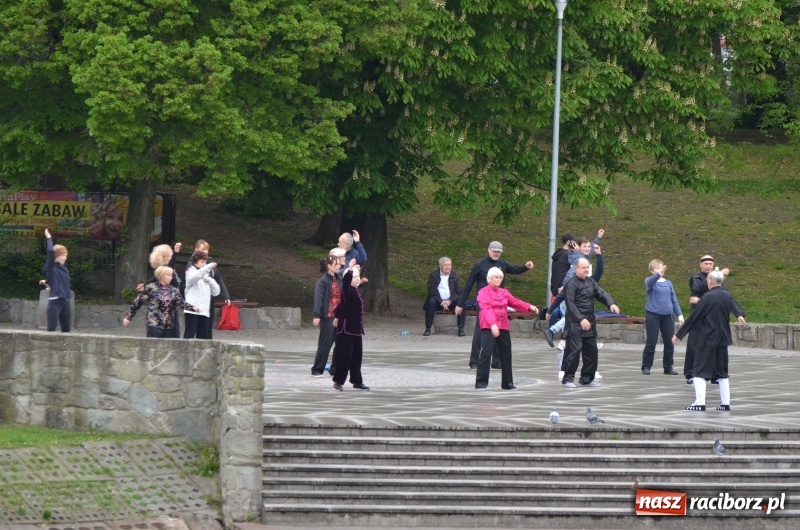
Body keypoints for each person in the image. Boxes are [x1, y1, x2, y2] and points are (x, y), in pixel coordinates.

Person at [672, 269, 747, 411]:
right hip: (723, 338)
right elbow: (733, 306)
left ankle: (700, 403)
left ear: (709, 281)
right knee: (722, 372)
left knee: (699, 370)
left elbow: (695, 317)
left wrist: (678, 334)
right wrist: (739, 315)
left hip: (707, 338)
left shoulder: (708, 297)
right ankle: (725, 404)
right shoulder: (726, 295)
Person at [455, 241, 534, 369]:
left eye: (498, 252)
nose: (496, 254)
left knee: (498, 331)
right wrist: (460, 303)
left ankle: (496, 361)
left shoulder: (502, 264)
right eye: (494, 251)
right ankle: (474, 361)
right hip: (484, 302)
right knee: (480, 332)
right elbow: (469, 284)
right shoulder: (480, 264)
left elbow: (514, 270)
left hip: (499, 303)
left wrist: (525, 266)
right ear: (489, 250)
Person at [475, 267, 539, 390]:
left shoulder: (503, 292)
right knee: (486, 352)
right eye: (496, 277)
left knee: (506, 353)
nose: (498, 280)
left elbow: (514, 301)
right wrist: (493, 324)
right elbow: (486, 309)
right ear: (490, 278)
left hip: (502, 324)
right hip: (488, 325)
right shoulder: (483, 292)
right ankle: (481, 383)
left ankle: (507, 383)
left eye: (500, 277)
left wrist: (528, 306)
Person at [561, 258, 620, 388]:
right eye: (583, 268)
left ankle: (587, 378)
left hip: (590, 322)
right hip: (575, 323)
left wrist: (611, 303)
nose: (586, 270)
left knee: (591, 352)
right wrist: (581, 319)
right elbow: (570, 305)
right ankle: (568, 378)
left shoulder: (591, 282)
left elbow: (601, 293)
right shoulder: (571, 284)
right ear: (576, 268)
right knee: (574, 351)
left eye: (588, 267)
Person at [683, 255, 741, 384]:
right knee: (694, 345)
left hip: (713, 319)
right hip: (698, 318)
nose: (708, 266)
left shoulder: (717, 281)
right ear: (701, 265)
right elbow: (697, 289)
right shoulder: (696, 278)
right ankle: (691, 374)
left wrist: (738, 314)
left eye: (710, 264)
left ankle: (715, 374)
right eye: (706, 264)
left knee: (715, 347)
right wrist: (719, 274)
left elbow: (727, 297)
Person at [123, 266, 198, 338]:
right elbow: (138, 302)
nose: (171, 278)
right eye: (169, 275)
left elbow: (181, 302)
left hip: (169, 326)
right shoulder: (151, 287)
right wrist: (129, 317)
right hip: (154, 324)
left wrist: (193, 308)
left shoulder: (173, 290)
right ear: (162, 276)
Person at [331, 260, 370, 391]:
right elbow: (346, 285)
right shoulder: (348, 291)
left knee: (357, 357)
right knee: (343, 357)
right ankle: (338, 381)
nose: (357, 279)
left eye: (358, 277)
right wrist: (350, 269)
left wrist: (336, 315)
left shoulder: (356, 292)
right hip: (346, 330)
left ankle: (357, 381)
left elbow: (341, 306)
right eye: (354, 277)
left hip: (356, 330)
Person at [641, 259, 684, 375]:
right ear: (651, 271)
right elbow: (650, 282)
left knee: (669, 342)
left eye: (661, 267)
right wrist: (659, 273)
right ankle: (646, 366)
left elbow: (674, 299)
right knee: (651, 341)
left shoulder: (668, 283)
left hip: (668, 316)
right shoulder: (649, 281)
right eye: (657, 268)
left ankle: (668, 367)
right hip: (653, 315)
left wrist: (679, 315)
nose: (661, 269)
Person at [190, 239, 231, 336]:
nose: (204, 252)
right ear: (196, 249)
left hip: (210, 298)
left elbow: (218, 278)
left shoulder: (211, 262)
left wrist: (226, 296)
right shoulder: (192, 262)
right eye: (201, 249)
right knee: (195, 328)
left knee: (208, 327)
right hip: (197, 299)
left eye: (206, 250)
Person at [311, 255, 343, 376]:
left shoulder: (339, 278)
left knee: (340, 343)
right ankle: (317, 369)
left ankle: (335, 368)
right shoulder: (323, 281)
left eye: (339, 264)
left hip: (339, 316)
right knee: (326, 343)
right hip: (327, 316)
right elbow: (318, 299)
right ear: (329, 266)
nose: (339, 266)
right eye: (337, 264)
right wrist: (317, 315)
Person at [423, 257, 466, 336]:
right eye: (446, 265)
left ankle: (461, 328)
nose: (448, 267)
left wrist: (449, 301)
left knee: (461, 302)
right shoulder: (433, 275)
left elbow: (458, 291)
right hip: (437, 301)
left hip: (450, 301)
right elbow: (432, 291)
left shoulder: (454, 275)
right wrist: (441, 302)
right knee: (431, 301)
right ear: (440, 266)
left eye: (449, 265)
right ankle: (428, 328)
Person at [183, 251, 220, 339]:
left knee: (203, 337)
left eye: (205, 262)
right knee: (189, 334)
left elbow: (216, 292)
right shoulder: (190, 271)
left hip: (204, 310)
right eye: (202, 262)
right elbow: (193, 278)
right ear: (195, 262)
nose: (204, 264)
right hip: (192, 309)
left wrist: (210, 281)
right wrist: (208, 267)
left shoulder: (205, 275)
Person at [43, 228, 71, 332]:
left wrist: (46, 282)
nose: (65, 258)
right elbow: (50, 252)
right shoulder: (51, 267)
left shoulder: (64, 268)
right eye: (63, 255)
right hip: (55, 303)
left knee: (66, 331)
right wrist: (49, 238)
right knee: (51, 330)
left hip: (66, 302)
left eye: (66, 255)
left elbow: (57, 281)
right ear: (56, 256)